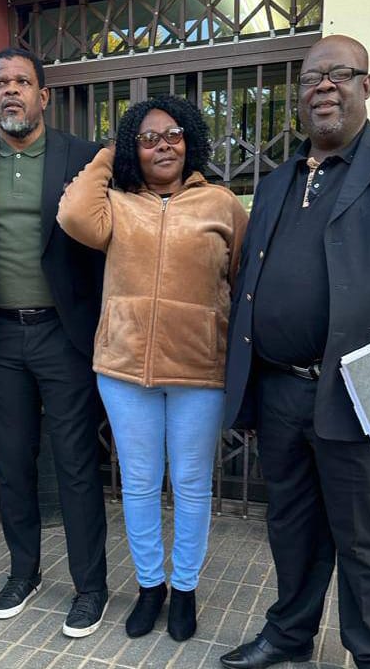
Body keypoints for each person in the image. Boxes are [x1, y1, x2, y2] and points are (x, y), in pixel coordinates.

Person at [220, 35, 370, 669]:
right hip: (281, 390)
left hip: (365, 395)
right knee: (291, 528)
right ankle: (290, 633)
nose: (323, 87)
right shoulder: (276, 182)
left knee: (368, 540)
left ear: (366, 85)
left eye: (339, 74)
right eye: (310, 78)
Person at [58, 94, 248, 641]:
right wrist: (108, 155)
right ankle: (149, 587)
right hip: (123, 368)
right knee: (140, 484)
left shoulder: (221, 204)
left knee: (191, 483)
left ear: (190, 140)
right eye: (146, 138)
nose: (162, 146)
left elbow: (240, 282)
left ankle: (184, 588)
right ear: (132, 149)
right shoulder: (116, 205)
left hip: (198, 370)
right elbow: (72, 214)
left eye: (173, 135)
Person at [0, 48, 108, 638]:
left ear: (43, 96)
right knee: (12, 464)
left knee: (75, 464)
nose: (10, 91)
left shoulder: (83, 156)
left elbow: (105, 243)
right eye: (0, 83)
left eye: (22, 81)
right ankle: (24, 571)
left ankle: (90, 586)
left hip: (63, 336)